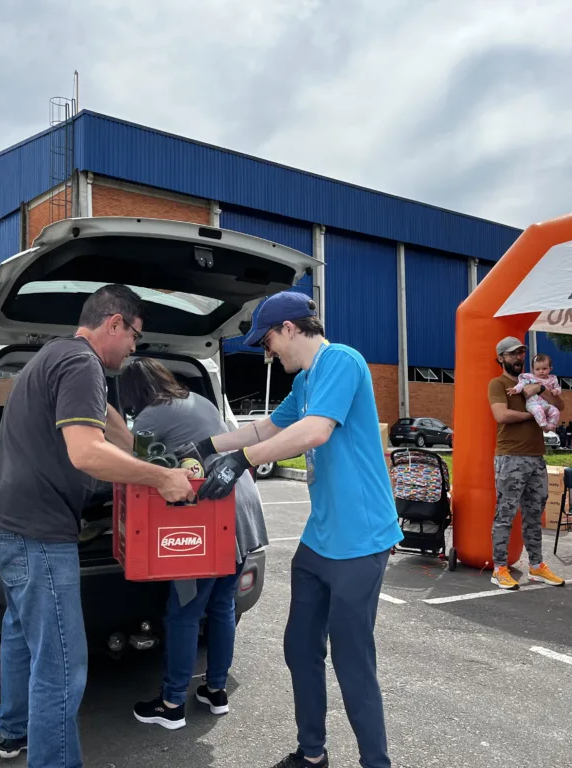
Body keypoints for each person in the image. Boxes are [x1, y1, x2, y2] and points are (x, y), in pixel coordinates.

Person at [0, 284, 196, 768]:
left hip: (0, 524)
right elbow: (87, 452)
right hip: (37, 534)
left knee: (19, 632)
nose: (135, 348)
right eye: (135, 336)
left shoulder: (57, 353)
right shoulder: (82, 364)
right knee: (62, 665)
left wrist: (144, 448)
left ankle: (11, 734)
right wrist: (163, 478)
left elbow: (108, 421)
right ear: (114, 323)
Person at [176, 291, 402, 768]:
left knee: (351, 659)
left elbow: (315, 431)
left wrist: (239, 463)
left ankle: (376, 762)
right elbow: (265, 431)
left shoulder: (341, 359)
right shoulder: (305, 383)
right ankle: (312, 753)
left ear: (291, 329)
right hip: (321, 539)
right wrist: (203, 445)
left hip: (360, 539)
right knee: (300, 647)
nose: (267, 352)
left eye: (268, 340)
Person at [116, 358, 269, 730]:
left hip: (208, 523)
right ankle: (215, 690)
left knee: (184, 612)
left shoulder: (152, 416)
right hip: (243, 510)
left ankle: (171, 704)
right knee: (220, 607)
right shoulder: (200, 400)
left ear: (134, 393)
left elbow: (136, 468)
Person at [487, 337, 566, 591]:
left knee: (534, 514)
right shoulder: (498, 384)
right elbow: (501, 415)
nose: (519, 358)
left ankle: (536, 566)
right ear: (501, 358)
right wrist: (535, 416)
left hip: (536, 457)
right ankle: (499, 568)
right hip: (510, 457)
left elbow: (561, 406)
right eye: (513, 355)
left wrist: (541, 390)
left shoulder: (536, 381)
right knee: (505, 514)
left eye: (521, 353)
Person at [507, 353, 561, 430]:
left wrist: (556, 391)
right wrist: (515, 389)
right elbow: (521, 384)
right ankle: (544, 426)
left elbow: (558, 388)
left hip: (545, 403)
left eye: (544, 369)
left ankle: (551, 424)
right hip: (533, 403)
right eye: (537, 369)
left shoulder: (552, 379)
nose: (541, 371)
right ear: (533, 369)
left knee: (555, 411)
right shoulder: (530, 378)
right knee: (538, 410)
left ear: (550, 369)